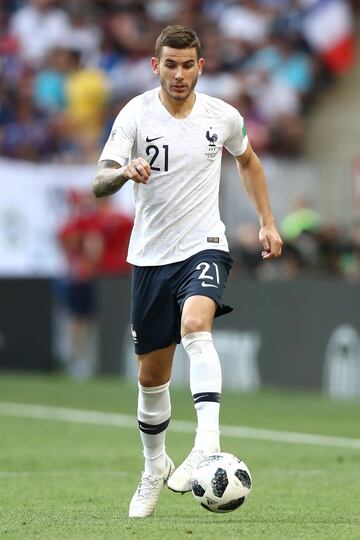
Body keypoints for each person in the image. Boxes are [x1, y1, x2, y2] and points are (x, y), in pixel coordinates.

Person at [93, 25, 282, 518]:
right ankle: (154, 466)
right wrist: (123, 171)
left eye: (188, 64)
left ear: (202, 66)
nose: (180, 74)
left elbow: (249, 161)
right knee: (152, 378)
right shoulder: (135, 113)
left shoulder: (223, 116)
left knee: (197, 324)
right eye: (170, 65)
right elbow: (99, 180)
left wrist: (267, 220)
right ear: (155, 66)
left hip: (205, 245)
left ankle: (206, 445)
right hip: (151, 257)